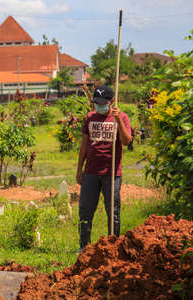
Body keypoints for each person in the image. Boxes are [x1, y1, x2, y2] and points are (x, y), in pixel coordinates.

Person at [76, 85, 132, 249]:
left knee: (113, 211)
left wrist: (118, 120)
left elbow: (127, 141)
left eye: (102, 103)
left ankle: (113, 246)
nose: (99, 106)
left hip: (112, 173)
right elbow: (84, 145)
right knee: (85, 210)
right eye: (96, 103)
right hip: (91, 172)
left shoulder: (122, 117)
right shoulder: (90, 117)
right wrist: (80, 169)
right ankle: (84, 246)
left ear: (111, 101)